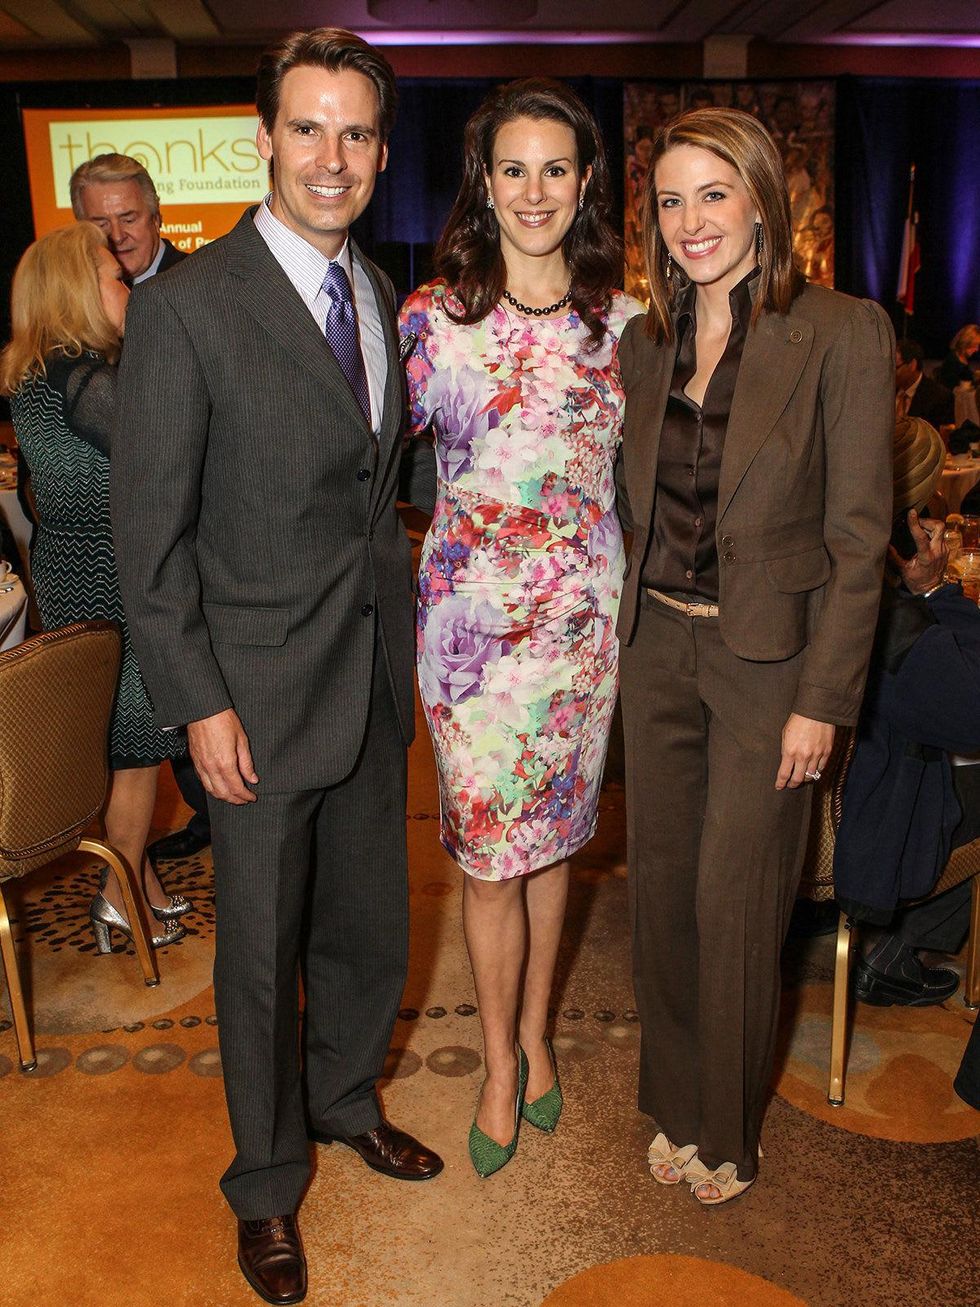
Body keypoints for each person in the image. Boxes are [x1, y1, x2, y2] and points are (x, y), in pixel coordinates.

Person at [110, 28, 440, 1306]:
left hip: (366, 674)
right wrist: (197, 701)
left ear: (378, 150)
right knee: (257, 956)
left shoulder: (377, 288)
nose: (331, 157)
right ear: (261, 138)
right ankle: (264, 1180)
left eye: (355, 132)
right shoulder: (190, 305)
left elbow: (378, 483)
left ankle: (347, 1100)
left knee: (367, 923)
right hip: (246, 698)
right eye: (307, 128)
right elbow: (151, 543)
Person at [616, 107, 894, 1205]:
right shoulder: (643, 339)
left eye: (713, 193)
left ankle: (725, 1129)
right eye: (671, 199)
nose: (691, 221)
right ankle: (676, 1101)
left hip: (769, 663)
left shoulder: (836, 328)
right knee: (666, 895)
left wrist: (822, 700)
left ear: (761, 198)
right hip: (655, 654)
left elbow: (857, 534)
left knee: (736, 899)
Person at [399, 78, 642, 1179]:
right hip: (470, 638)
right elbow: (350, 461)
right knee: (489, 859)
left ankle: (538, 1033)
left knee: (555, 845)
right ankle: (496, 1058)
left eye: (555, 168)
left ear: (585, 181)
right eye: (512, 169)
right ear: (481, 183)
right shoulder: (430, 319)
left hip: (581, 632)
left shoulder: (625, 326)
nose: (533, 190)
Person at [0, 223, 189, 951]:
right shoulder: (84, 376)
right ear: (80, 291)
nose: (130, 288)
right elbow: (167, 453)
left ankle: (137, 879)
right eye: (116, 279)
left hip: (79, 572)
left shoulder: (41, 371)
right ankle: (119, 892)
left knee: (125, 739)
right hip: (113, 580)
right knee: (139, 743)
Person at [71, 152, 213, 864]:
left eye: (129, 216)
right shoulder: (72, 316)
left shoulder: (207, 282)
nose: (118, 233)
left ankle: (215, 808)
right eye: (101, 221)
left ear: (157, 217)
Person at [830, 416, 980, 1002]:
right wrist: (936, 593)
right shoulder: (889, 620)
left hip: (817, 804)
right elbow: (968, 710)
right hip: (875, 820)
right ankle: (904, 948)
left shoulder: (830, 575)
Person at [71, 153, 185, 284]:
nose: (117, 237)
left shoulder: (199, 284)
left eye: (128, 220)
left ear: (156, 218)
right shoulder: (73, 294)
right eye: (101, 225)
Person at [895, 338, 953, 427]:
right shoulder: (886, 392)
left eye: (895, 368)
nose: (889, 373)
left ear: (912, 365)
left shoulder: (939, 397)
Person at [938, 323, 980, 392]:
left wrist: (976, 375)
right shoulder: (952, 360)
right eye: (975, 345)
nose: (977, 349)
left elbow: (965, 376)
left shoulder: (962, 357)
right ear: (966, 342)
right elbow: (949, 389)